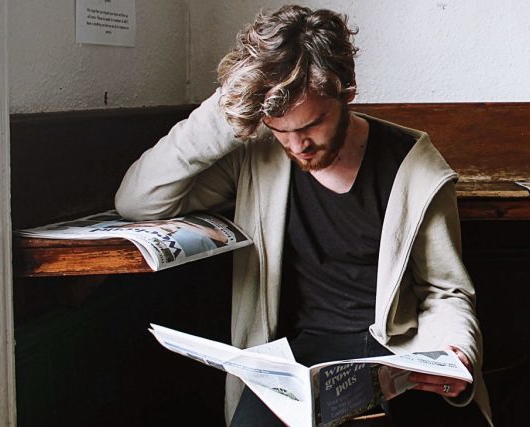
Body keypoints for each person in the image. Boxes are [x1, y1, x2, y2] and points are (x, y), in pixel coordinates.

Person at [114, 5, 489, 426]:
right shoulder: (258, 153)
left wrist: (456, 350)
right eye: (280, 128)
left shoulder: (413, 165)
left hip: (394, 352)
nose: (297, 146)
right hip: (290, 360)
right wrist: (228, 109)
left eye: (312, 124)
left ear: (347, 93)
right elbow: (140, 200)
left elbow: (445, 290)